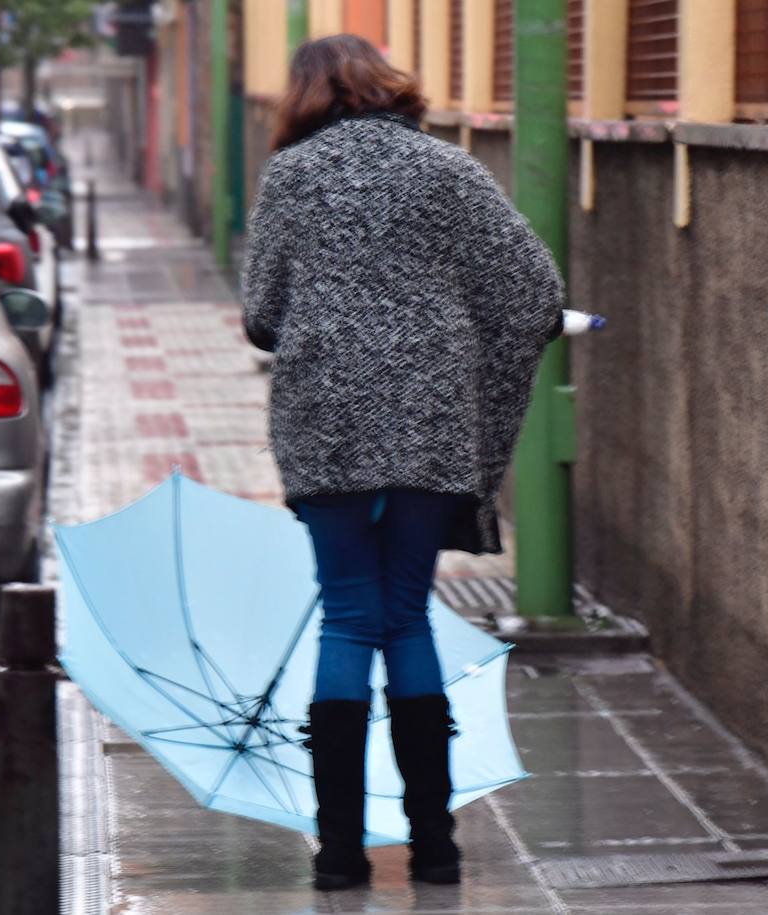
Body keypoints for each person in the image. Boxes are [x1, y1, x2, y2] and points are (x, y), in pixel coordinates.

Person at [241, 34, 565, 891]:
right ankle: (436, 848)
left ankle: (340, 852)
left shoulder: (291, 176)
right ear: (389, 86)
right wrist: (467, 364)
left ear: (304, 94)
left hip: (323, 419)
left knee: (349, 616)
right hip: (431, 419)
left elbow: (261, 315)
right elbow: (534, 289)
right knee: (408, 615)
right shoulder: (445, 169)